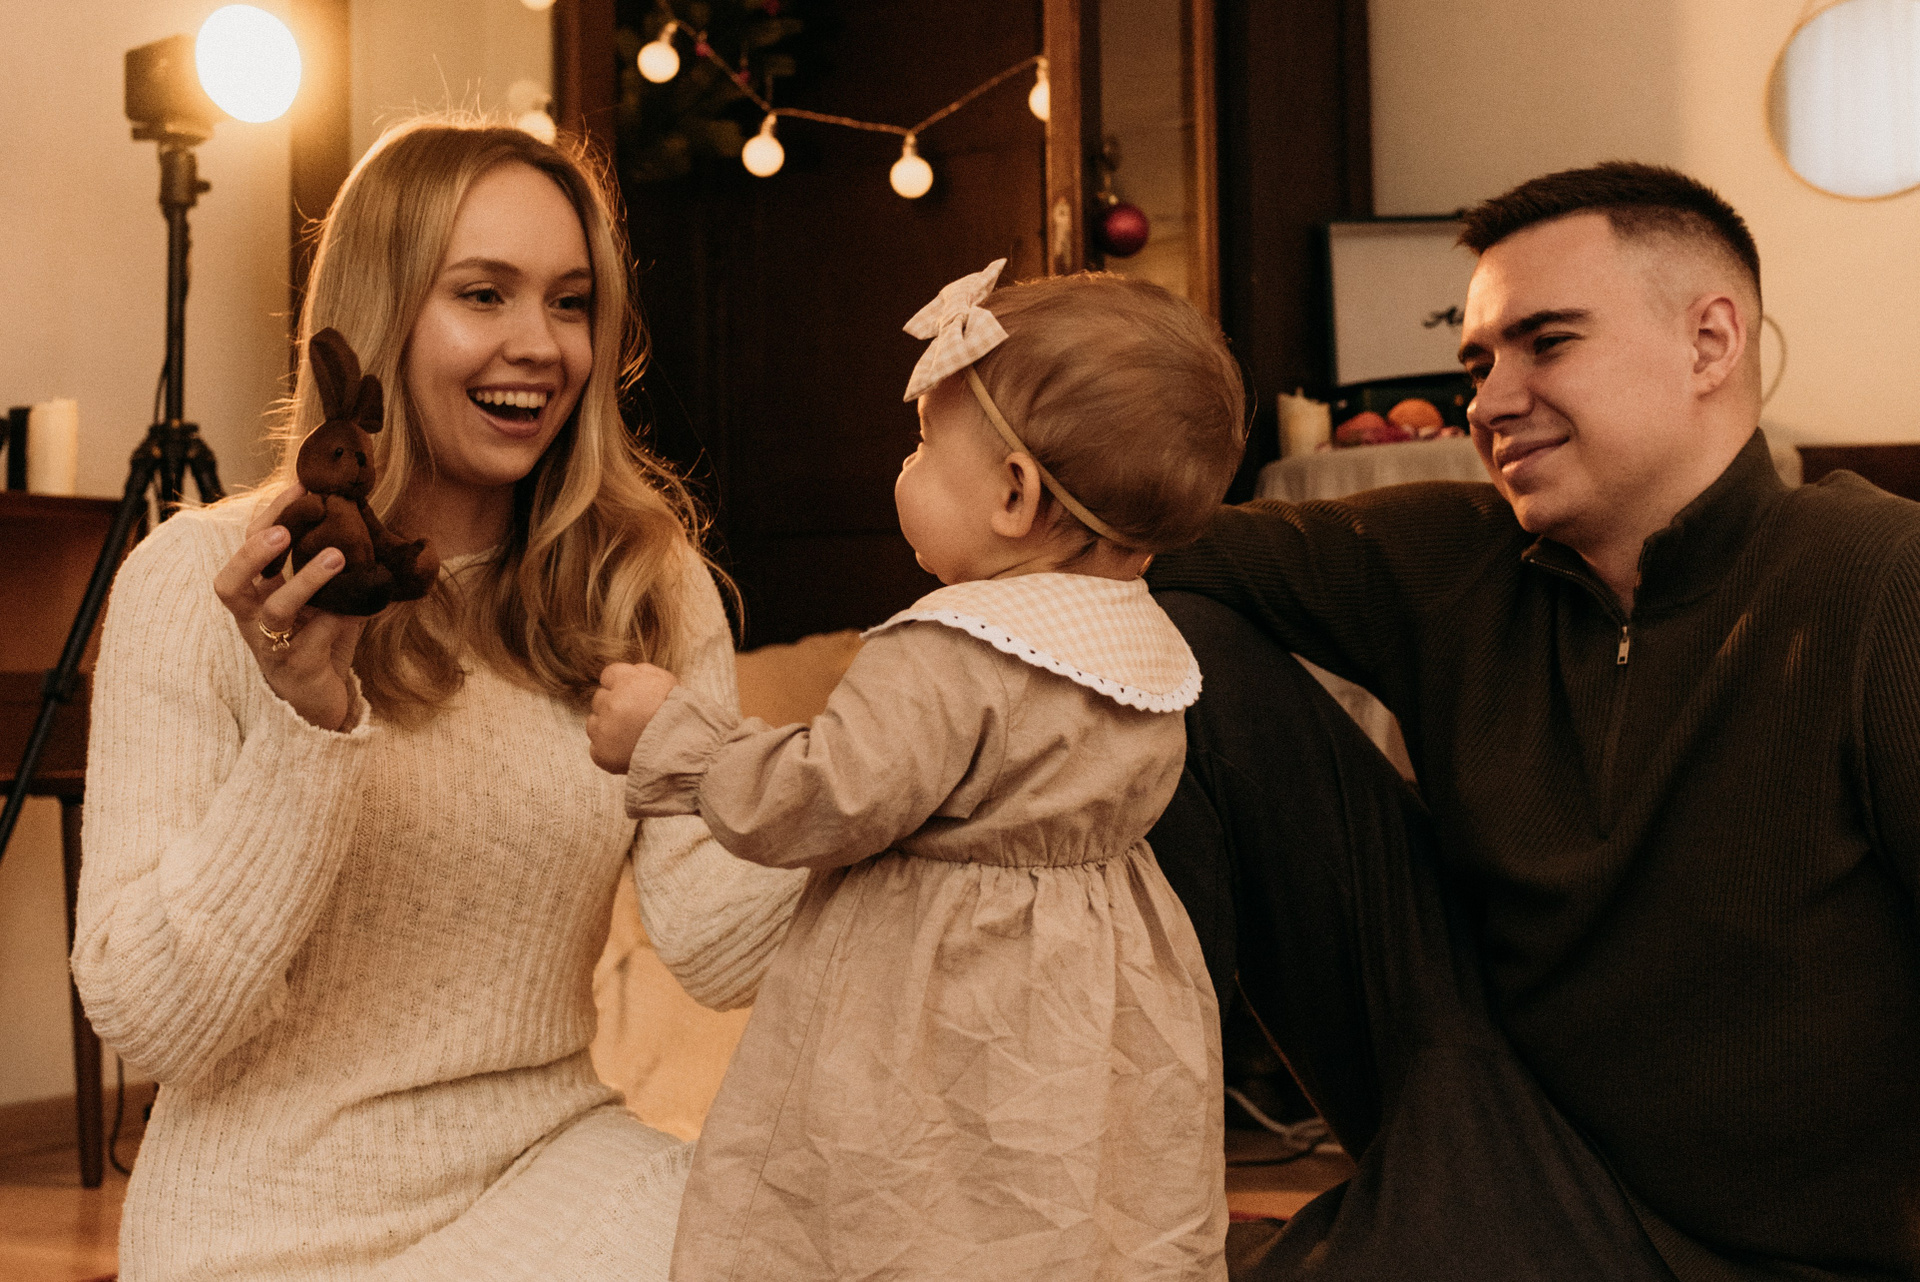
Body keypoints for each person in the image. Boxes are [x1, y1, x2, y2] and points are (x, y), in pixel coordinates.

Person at [1147, 161, 1920, 1279]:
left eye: (1547, 343)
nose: (1490, 401)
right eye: (1479, 363)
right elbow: (1134, 546)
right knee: (1166, 644)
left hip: (1770, 1249)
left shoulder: (1882, 580)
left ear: (1711, 343)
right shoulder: (1453, 558)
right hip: (1486, 1120)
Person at [72, 120, 803, 1280]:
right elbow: (153, 1020)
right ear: (382, 315)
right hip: (266, 1222)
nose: (541, 345)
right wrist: (306, 727)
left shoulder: (638, 583)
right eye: (483, 294)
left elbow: (720, 946)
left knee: (794, 1233)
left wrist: (871, 787)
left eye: (571, 303)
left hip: (547, 1162)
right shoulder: (202, 583)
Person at [585, 262, 1246, 1280]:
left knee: (907, 1204)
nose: (906, 467)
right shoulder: (1140, 645)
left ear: (1015, 494)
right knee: (1079, 1205)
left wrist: (674, 737)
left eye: (927, 447)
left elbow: (823, 796)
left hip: (942, 1003)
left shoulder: (947, 653)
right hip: (1094, 1005)